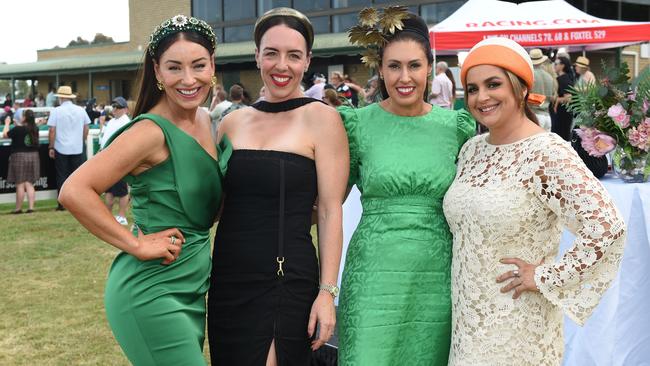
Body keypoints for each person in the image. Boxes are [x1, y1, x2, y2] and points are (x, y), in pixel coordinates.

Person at [443, 37, 626, 365]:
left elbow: (607, 226)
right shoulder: (472, 150)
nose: (481, 97)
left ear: (521, 88)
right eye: (472, 88)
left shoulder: (546, 153)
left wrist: (546, 276)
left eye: (493, 84)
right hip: (468, 319)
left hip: (518, 320)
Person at [58, 14, 226, 365]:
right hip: (151, 291)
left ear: (213, 65)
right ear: (157, 71)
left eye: (198, 65)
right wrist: (135, 243)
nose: (188, 79)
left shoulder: (205, 121)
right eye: (174, 68)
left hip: (193, 288)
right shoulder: (149, 132)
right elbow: (74, 190)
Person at [207, 7, 348, 365]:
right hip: (228, 279)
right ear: (257, 56)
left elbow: (331, 211)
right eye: (271, 53)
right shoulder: (232, 123)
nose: (281, 65)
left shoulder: (322, 119)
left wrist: (327, 293)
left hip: (286, 281)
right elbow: (217, 205)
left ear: (307, 61)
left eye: (293, 55)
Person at [338, 10, 475, 365]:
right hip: (372, 273)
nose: (404, 77)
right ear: (380, 69)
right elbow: (328, 202)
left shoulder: (456, 126)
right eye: (394, 66)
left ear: (429, 67)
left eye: (414, 65)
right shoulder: (357, 125)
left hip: (437, 277)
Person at [47, 85, 91, 211]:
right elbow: (86, 128)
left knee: (62, 175)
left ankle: (62, 203)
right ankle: (78, 202)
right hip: (77, 147)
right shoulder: (80, 110)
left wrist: (51, 146)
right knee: (77, 177)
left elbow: (52, 130)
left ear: (60, 97)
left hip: (61, 147)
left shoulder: (56, 111)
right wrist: (81, 141)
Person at [98, 97, 132, 225]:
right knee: (110, 190)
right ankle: (108, 216)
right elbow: (104, 137)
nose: (115, 109)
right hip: (107, 158)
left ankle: (122, 216)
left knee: (121, 190)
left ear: (125, 109)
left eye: (117, 107)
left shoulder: (126, 122)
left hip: (119, 160)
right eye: (113, 107)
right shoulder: (112, 122)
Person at [2, 109, 40, 214]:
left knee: (20, 183)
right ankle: (31, 207)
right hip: (33, 156)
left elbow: (5, 134)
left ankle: (18, 208)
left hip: (19, 156)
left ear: (24, 118)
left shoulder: (17, 129)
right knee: (29, 183)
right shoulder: (35, 128)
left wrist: (7, 123)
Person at [529, 48, 556, 131]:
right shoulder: (549, 77)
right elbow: (552, 97)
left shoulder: (530, 76)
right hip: (547, 116)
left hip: (535, 114)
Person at [551, 56, 575, 141]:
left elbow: (569, 98)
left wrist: (557, 99)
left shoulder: (563, 79)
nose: (554, 66)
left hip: (562, 114)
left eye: (556, 64)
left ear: (562, 66)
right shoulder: (563, 78)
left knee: (561, 138)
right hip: (562, 113)